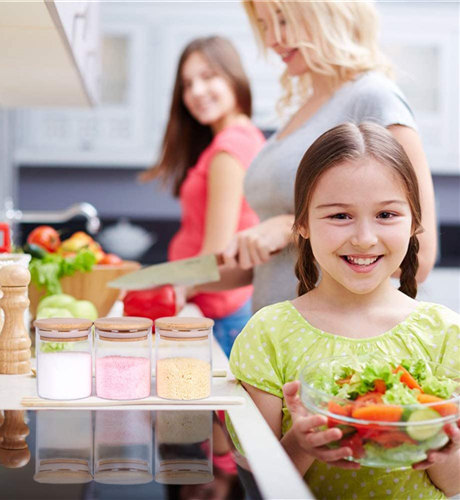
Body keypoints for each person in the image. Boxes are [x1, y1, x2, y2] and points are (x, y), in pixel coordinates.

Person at [228, 122, 460, 499]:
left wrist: (439, 448)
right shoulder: (268, 334)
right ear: (301, 223)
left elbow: (454, 483)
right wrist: (301, 445)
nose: (365, 238)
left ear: (414, 222)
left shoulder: (446, 333)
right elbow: (255, 484)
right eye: (340, 216)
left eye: (386, 215)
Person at [204, 1, 437, 313]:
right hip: (276, 340)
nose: (272, 39)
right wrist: (180, 280)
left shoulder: (374, 98)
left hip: (332, 347)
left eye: (283, 20)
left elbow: (417, 257)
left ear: (328, 12)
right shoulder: (304, 109)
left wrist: (289, 227)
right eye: (264, 25)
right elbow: (273, 262)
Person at [142, 36, 265, 356]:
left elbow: (215, 254)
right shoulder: (238, 138)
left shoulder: (229, 148)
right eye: (187, 83)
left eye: (209, 77)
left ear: (234, 77)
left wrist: (166, 286)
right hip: (222, 309)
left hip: (223, 316)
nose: (196, 91)